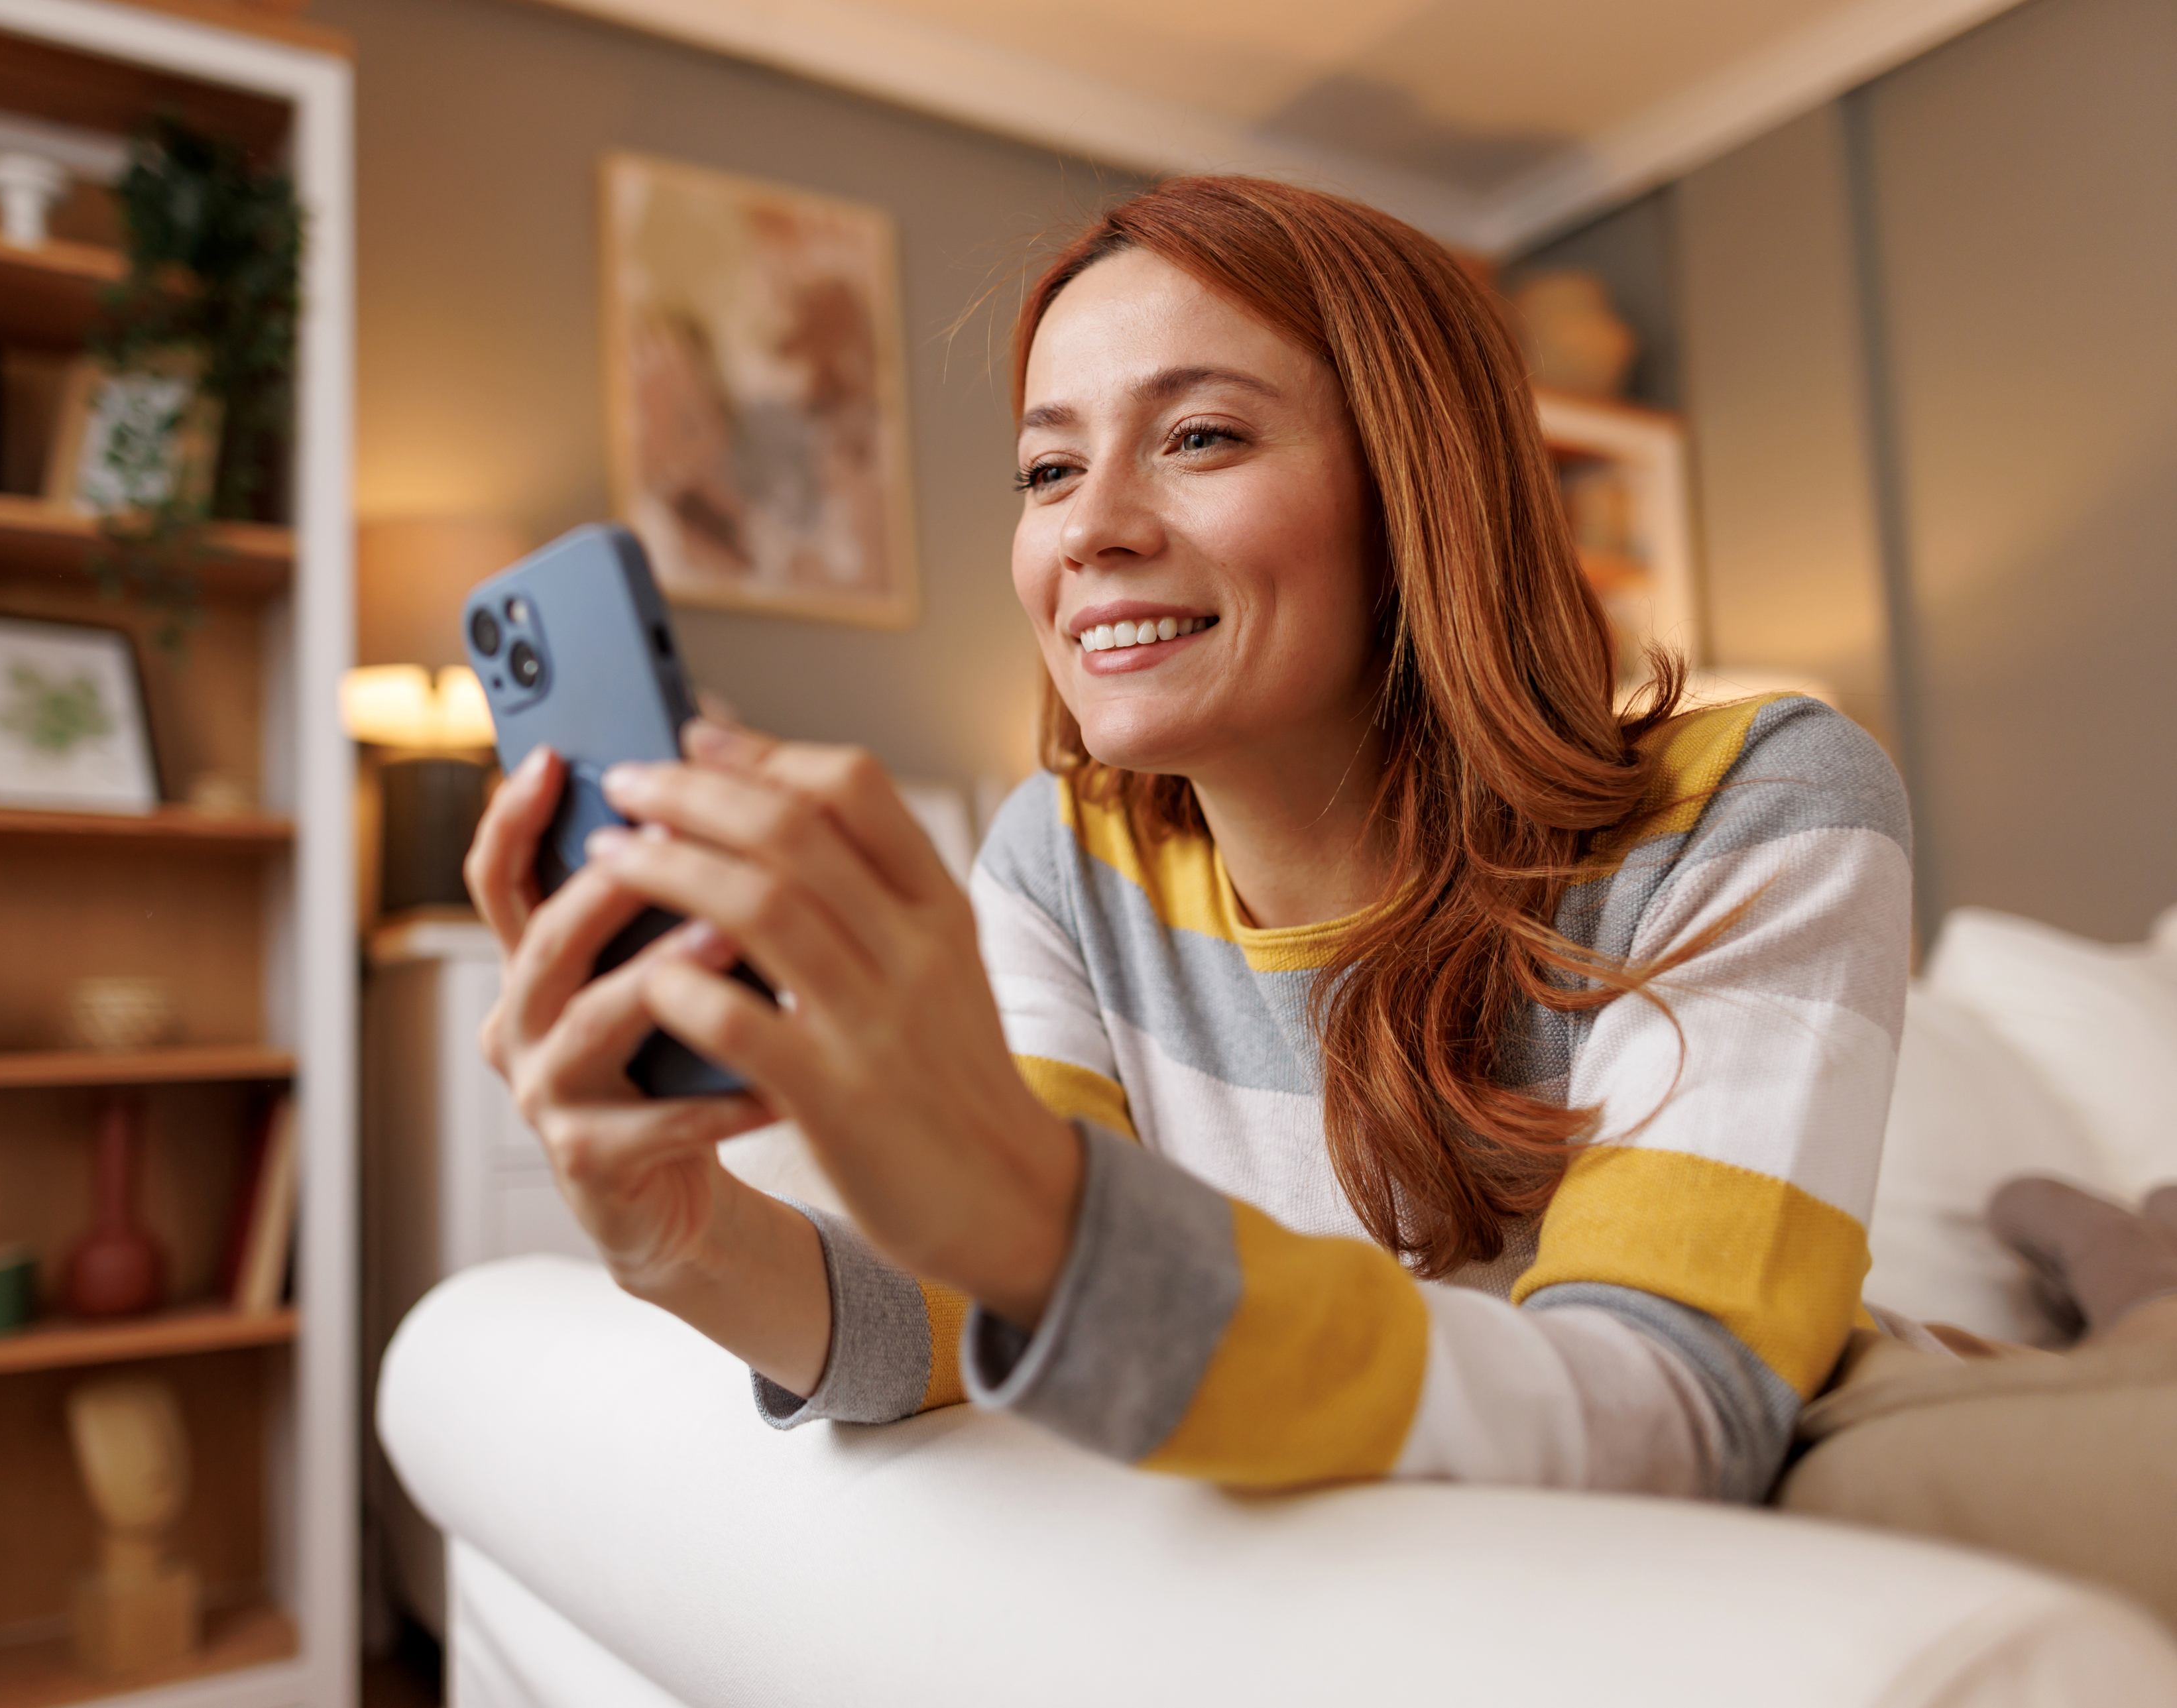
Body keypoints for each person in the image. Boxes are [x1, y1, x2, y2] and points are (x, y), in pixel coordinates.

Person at [468, 175, 1912, 1503]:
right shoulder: (1064, 858)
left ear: (1419, 488)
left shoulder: (1765, 801)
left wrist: (1034, 1212)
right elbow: (976, 1311)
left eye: (1201, 435)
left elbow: (1667, 1414)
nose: (1088, 526)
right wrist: (680, 1234)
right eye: (1046, 470)